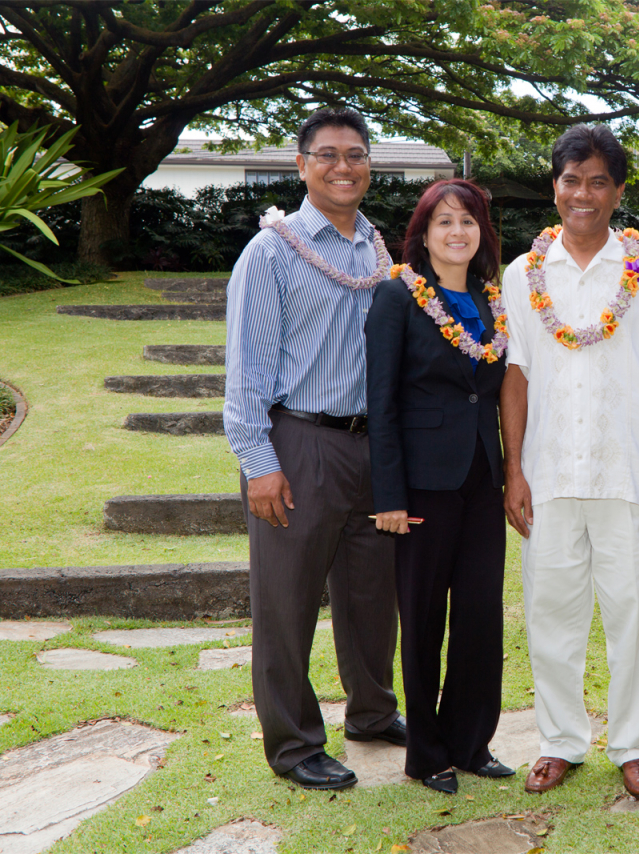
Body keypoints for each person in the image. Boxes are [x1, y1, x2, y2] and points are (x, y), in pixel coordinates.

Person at [499, 124, 639, 800]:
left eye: (598, 180)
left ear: (618, 191)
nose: (583, 193)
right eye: (571, 179)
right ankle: (560, 742)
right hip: (548, 473)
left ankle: (633, 744)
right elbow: (515, 375)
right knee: (550, 610)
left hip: (630, 473)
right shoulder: (522, 276)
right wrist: (513, 468)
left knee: (632, 611)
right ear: (555, 186)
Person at [223, 107, 406, 791]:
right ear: (301, 166)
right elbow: (245, 371)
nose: (342, 166)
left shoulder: (377, 250)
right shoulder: (270, 252)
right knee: (287, 601)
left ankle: (372, 712)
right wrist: (260, 465)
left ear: (368, 165)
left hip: (373, 446)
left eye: (355, 154)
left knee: (370, 592)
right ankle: (295, 744)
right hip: (297, 442)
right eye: (326, 154)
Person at [365, 179, 514, 794]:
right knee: (423, 616)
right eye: (444, 222)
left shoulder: (491, 297)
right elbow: (382, 403)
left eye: (469, 222)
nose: (458, 232)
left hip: (483, 475)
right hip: (422, 484)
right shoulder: (396, 297)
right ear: (423, 234)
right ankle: (426, 751)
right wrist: (390, 497)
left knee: (480, 614)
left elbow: (493, 387)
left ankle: (471, 740)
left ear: (482, 233)